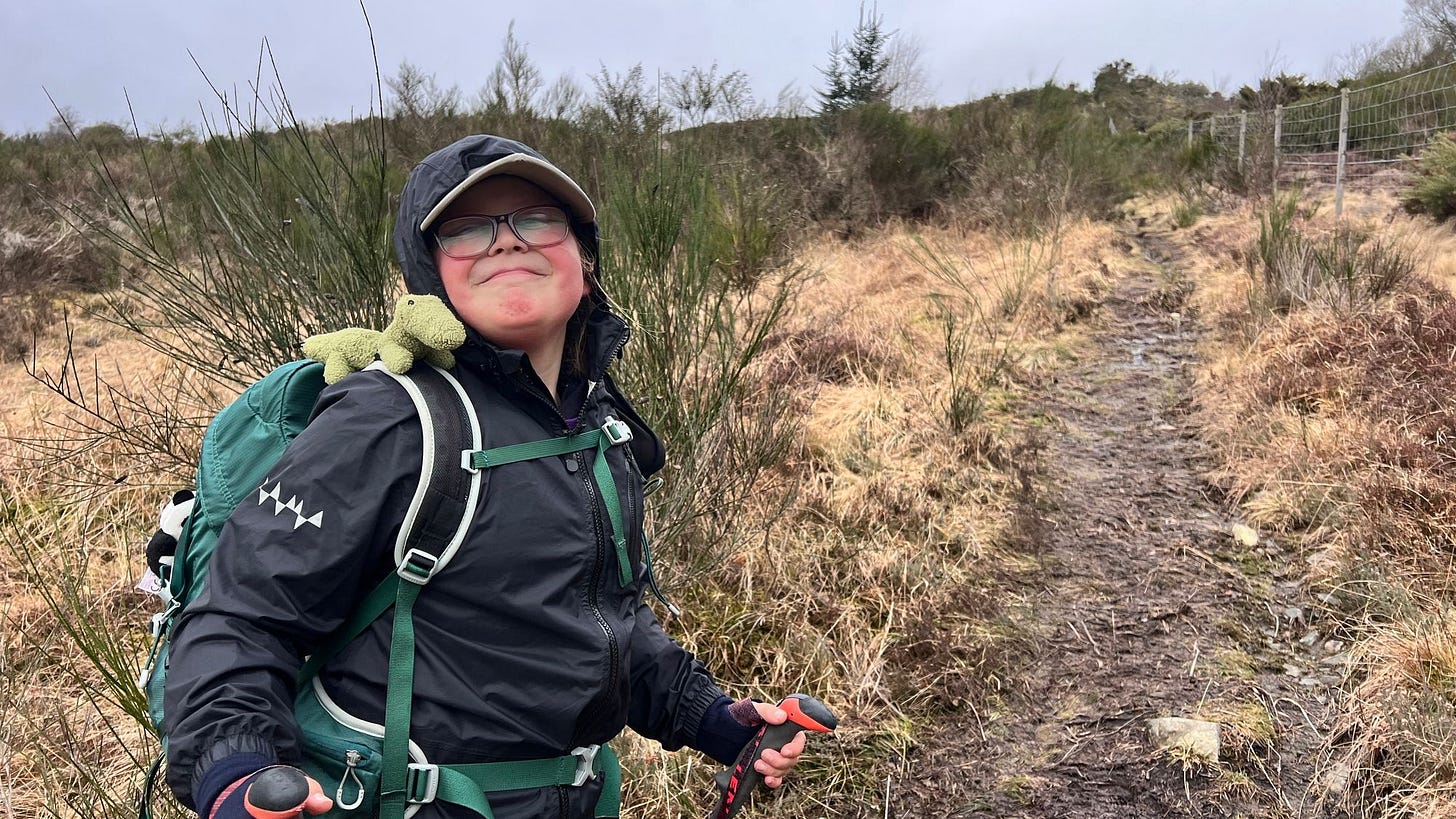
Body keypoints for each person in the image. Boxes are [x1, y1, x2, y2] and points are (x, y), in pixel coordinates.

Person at [163, 134, 806, 819]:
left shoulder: (599, 424)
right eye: (467, 229)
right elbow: (244, 615)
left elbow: (600, 617)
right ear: (429, 277)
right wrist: (235, 772)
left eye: (536, 219)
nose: (506, 242)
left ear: (584, 262)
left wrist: (708, 715)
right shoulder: (388, 417)